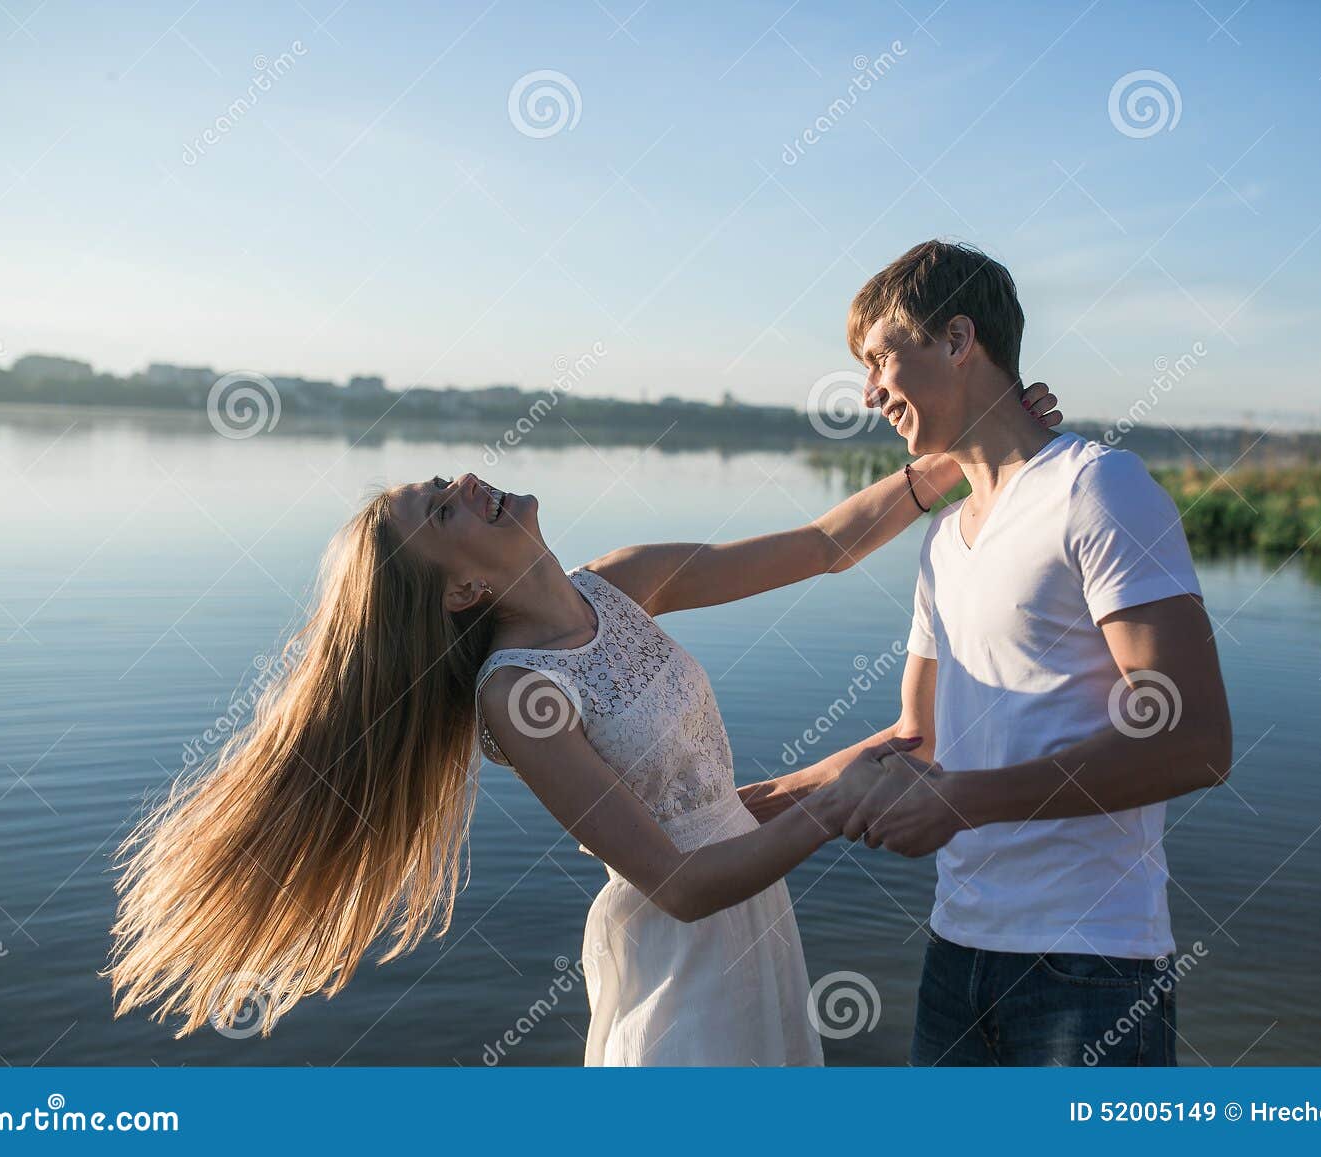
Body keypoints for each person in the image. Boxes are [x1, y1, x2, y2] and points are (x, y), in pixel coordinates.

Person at [105, 380, 1062, 1065]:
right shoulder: (518, 696)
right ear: (465, 588)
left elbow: (821, 547)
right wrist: (836, 806)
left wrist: (958, 461)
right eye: (444, 509)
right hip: (685, 964)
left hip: (756, 935)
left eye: (446, 480)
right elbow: (682, 881)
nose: (470, 482)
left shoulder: (626, 583)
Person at [740, 240, 1232, 1066]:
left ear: (958, 339)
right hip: (955, 954)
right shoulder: (942, 539)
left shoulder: (1097, 489)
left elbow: (1194, 741)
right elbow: (916, 740)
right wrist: (744, 804)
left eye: (880, 359)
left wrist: (964, 802)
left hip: (1093, 966)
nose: (869, 391)